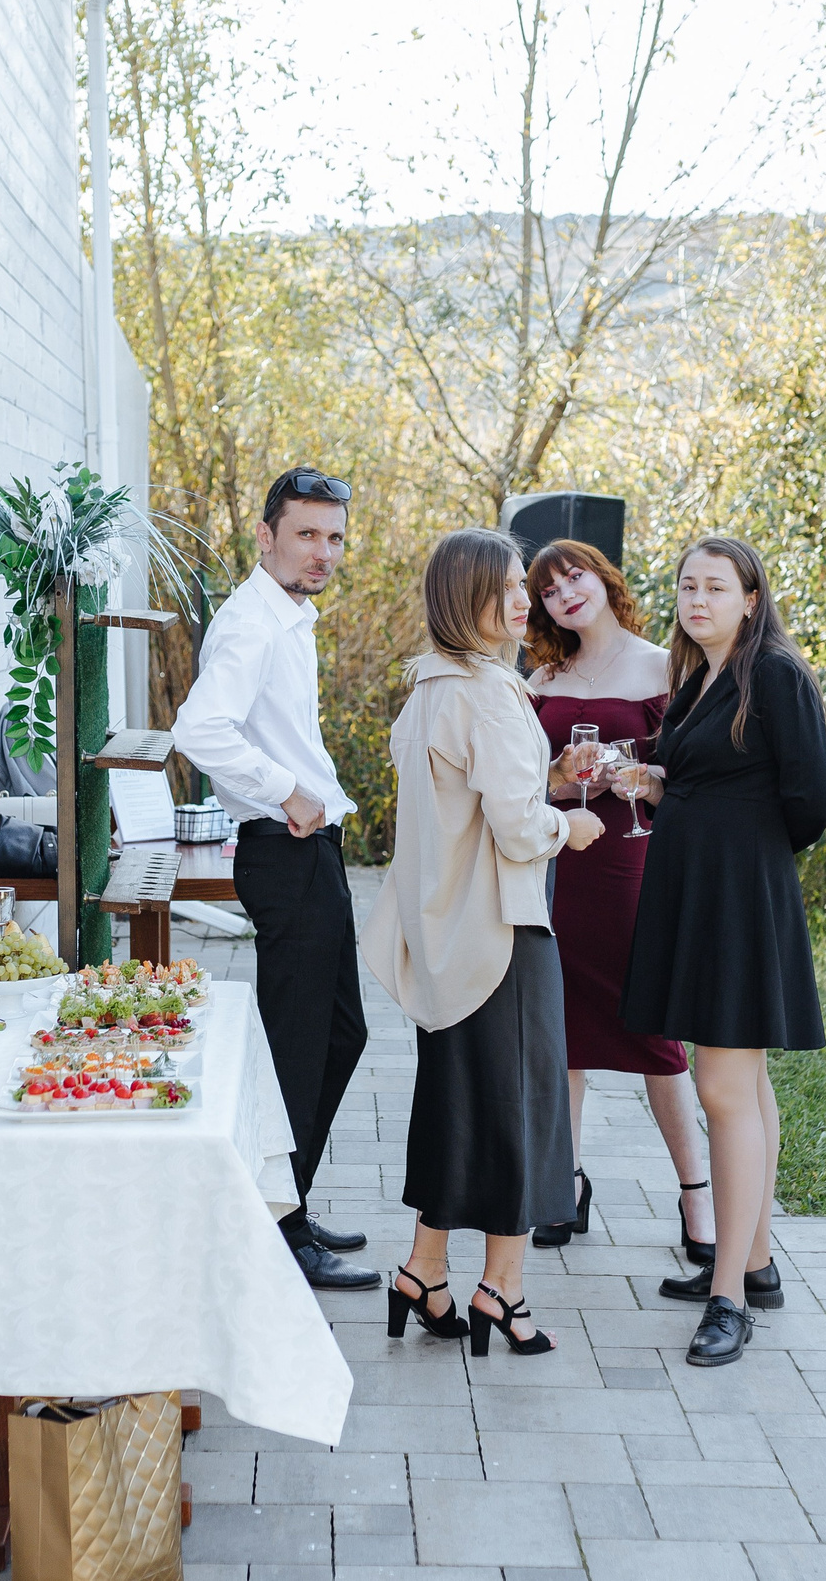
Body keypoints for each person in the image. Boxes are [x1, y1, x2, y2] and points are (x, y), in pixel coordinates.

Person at [360, 528, 605, 1357]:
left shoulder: (429, 687)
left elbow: (466, 797)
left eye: (520, 586)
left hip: (444, 935)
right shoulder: (492, 693)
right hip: (504, 932)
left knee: (457, 1105)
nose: (523, 600)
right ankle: (504, 1289)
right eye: (504, 587)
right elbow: (516, 827)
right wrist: (568, 823)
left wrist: (548, 779)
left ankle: (424, 1271)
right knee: (524, 1112)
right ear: (465, 597)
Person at [619, 535, 826, 1368]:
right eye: (686, 587)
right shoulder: (700, 678)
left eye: (714, 587)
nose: (697, 600)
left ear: (751, 598)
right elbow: (703, 779)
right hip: (696, 895)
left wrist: (744, 856)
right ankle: (756, 1260)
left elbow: (810, 801)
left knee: (721, 1088)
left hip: (739, 900)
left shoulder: (774, 674)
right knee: (745, 1085)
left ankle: (729, 1297)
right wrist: (651, 783)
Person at [171, 467, 376, 1290]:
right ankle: (275, 1227)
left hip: (309, 849)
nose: (323, 551)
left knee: (339, 1034)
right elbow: (199, 729)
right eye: (306, 534)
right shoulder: (251, 624)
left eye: (334, 537)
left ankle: (285, 1203)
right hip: (283, 850)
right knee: (299, 1043)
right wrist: (285, 789)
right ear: (266, 536)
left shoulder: (288, 618)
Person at [522, 540, 716, 1260]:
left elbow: (689, 775)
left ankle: (697, 1195)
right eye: (548, 591)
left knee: (656, 1036)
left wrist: (638, 777)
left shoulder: (666, 667)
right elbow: (524, 781)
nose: (565, 594)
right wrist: (562, 774)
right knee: (562, 1031)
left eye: (574, 577)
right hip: (555, 869)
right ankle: (565, 1183)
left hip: (631, 866)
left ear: (604, 580)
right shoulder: (541, 678)